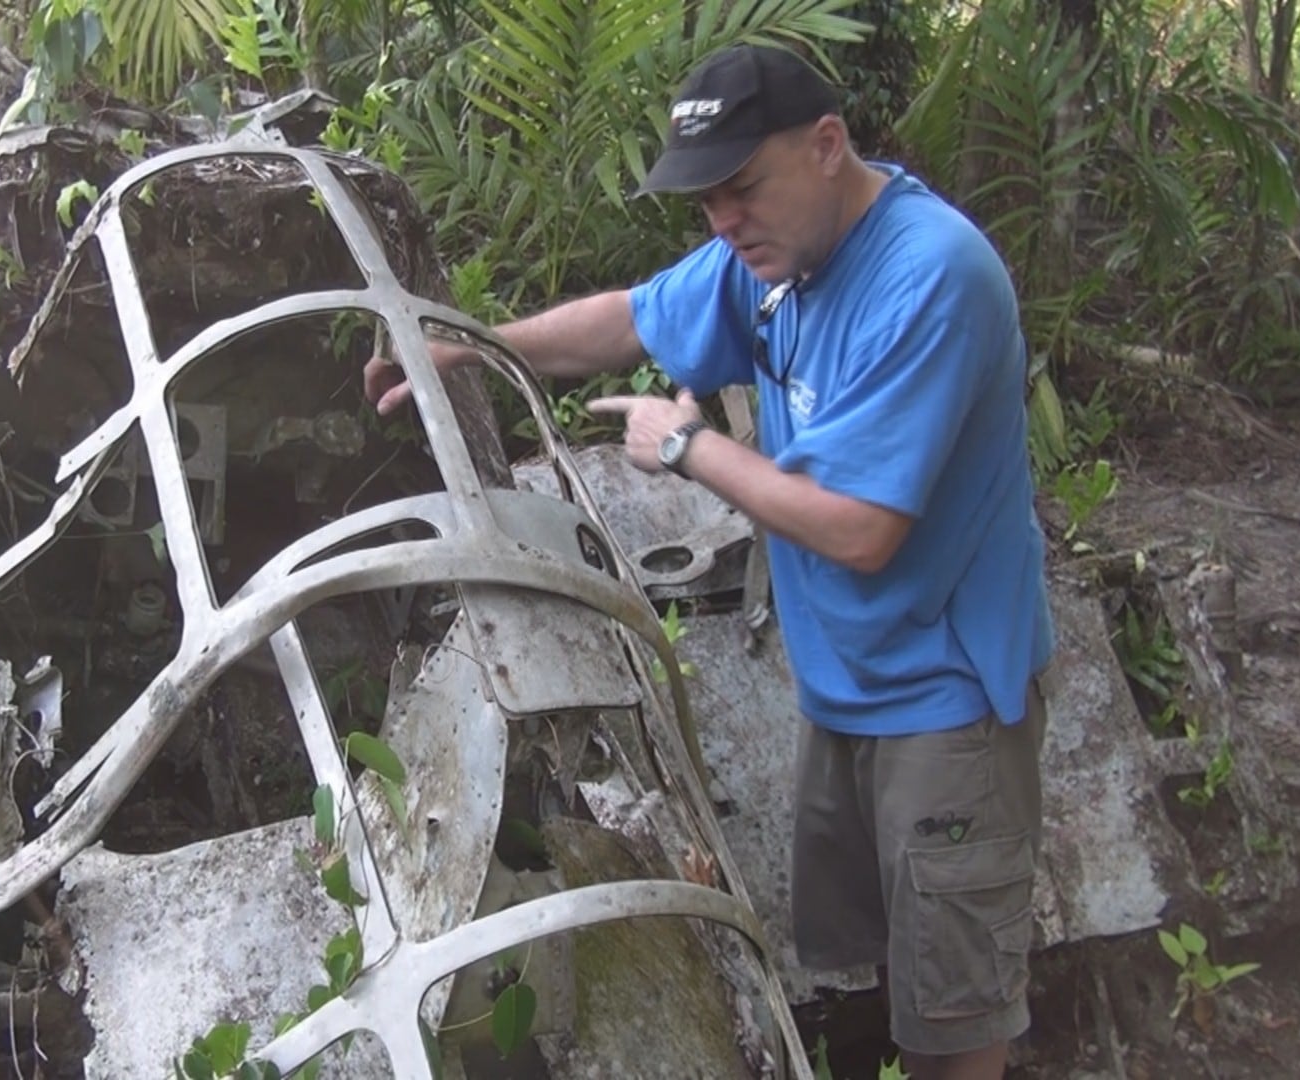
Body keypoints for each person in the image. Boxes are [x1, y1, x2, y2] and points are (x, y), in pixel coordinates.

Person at [363, 43, 1054, 1080]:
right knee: (873, 963)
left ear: (827, 147)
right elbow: (631, 317)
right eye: (705, 203)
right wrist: (465, 342)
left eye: (742, 188)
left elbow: (863, 528)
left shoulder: (930, 278)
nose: (725, 222)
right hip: (848, 690)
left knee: (957, 1014)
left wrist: (690, 448)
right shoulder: (775, 264)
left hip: (947, 700)